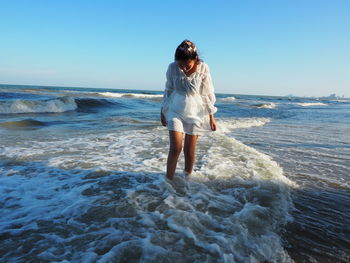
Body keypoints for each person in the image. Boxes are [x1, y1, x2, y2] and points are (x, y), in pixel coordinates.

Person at [160, 39, 218, 180]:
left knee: (189, 150)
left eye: (187, 65)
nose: (183, 68)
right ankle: (168, 182)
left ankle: (187, 179)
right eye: (180, 64)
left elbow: (207, 94)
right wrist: (163, 111)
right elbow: (168, 90)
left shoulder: (204, 68)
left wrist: (211, 117)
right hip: (175, 109)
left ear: (195, 59)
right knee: (175, 148)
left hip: (197, 111)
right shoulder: (172, 67)